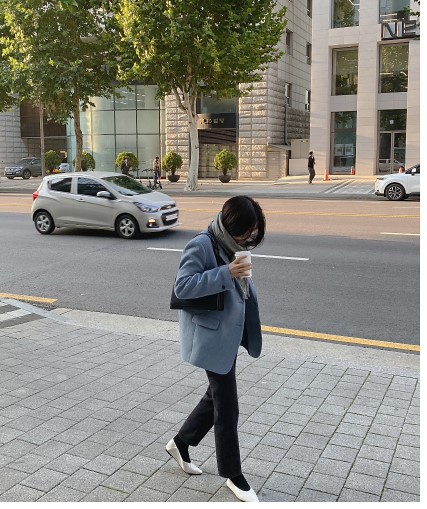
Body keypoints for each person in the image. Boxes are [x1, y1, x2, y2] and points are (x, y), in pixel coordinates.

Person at [166, 195, 266, 503]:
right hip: (211, 338)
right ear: (231, 226)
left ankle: (181, 443)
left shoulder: (230, 245)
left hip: (227, 336)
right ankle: (233, 475)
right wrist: (226, 273)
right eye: (247, 232)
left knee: (215, 396)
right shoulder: (202, 245)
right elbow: (182, 287)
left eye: (253, 232)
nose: (249, 237)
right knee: (227, 407)